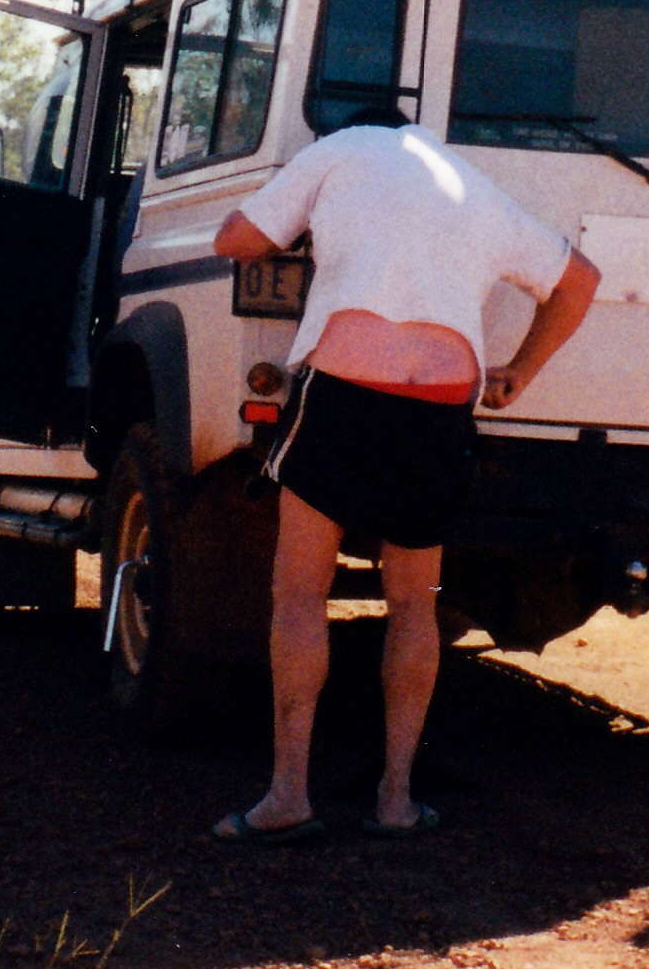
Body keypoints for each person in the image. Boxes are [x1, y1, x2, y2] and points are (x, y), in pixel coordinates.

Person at [207, 105, 600, 843]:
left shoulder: (342, 148)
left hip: (348, 390)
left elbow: (236, 240)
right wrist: (519, 371)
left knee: (299, 594)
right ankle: (394, 800)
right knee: (415, 607)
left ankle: (289, 794)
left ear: (352, 129)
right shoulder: (471, 181)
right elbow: (580, 280)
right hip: (440, 404)